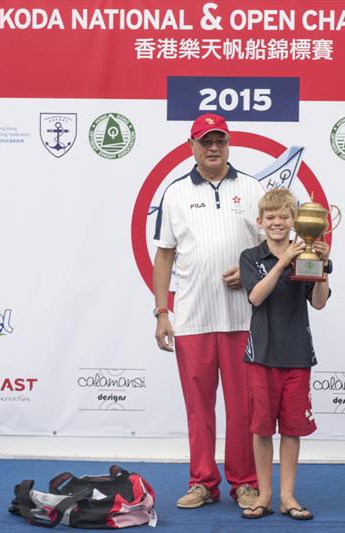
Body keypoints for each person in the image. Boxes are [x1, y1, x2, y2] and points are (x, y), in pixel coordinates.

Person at [152, 113, 262, 509]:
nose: (213, 147)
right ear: (191, 146)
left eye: (219, 140)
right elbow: (164, 256)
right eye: (205, 141)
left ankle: (245, 482)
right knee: (199, 410)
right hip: (193, 320)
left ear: (228, 143)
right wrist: (162, 311)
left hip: (243, 320)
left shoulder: (252, 188)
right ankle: (202, 481)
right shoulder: (175, 193)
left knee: (243, 408)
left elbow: (274, 247)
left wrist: (250, 275)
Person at [238, 188, 331, 520]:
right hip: (261, 356)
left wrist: (321, 266)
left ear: (295, 221)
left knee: (292, 429)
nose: (278, 223)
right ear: (260, 221)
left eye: (284, 217)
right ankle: (263, 495)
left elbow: (319, 301)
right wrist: (283, 262)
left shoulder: (306, 253)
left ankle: (287, 496)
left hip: (297, 355)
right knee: (262, 429)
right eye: (271, 217)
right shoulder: (250, 257)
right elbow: (256, 297)